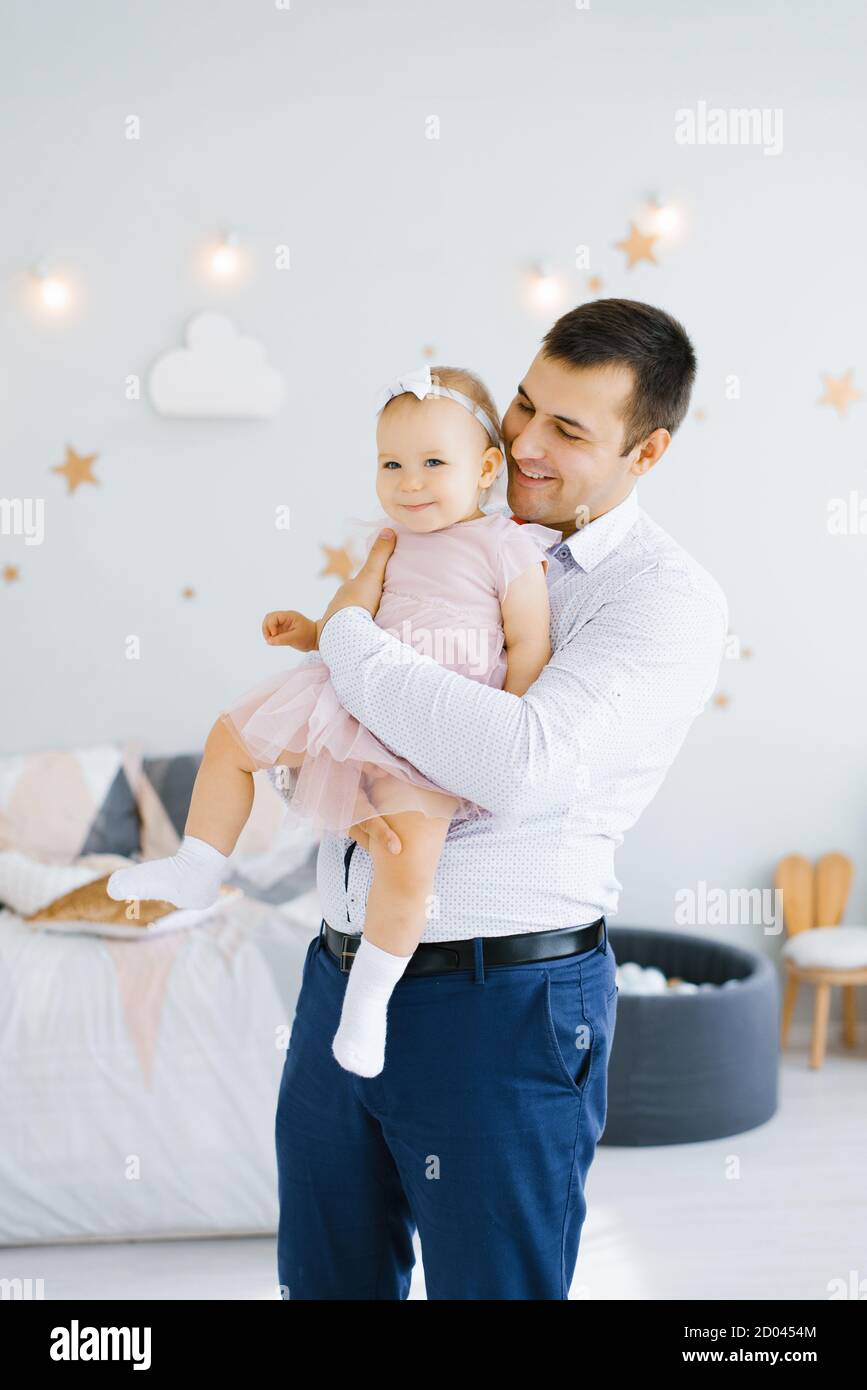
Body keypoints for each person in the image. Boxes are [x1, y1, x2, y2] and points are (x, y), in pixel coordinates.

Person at [272, 298, 729, 1300]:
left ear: (646, 453)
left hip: (499, 1004)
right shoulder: (448, 534)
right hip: (340, 974)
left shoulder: (662, 598)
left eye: (568, 430)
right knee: (323, 1284)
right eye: (523, 405)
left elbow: (517, 761)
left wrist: (351, 641)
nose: (520, 442)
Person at [106, 364, 559, 1078]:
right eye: (391, 464)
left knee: (407, 865)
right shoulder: (387, 542)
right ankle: (198, 865)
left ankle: (369, 1003)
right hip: (353, 700)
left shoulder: (504, 545)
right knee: (232, 737)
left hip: (441, 726)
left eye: (433, 463)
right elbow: (356, 614)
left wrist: (509, 722)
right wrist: (313, 629)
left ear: (486, 469)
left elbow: (527, 642)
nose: (410, 482)